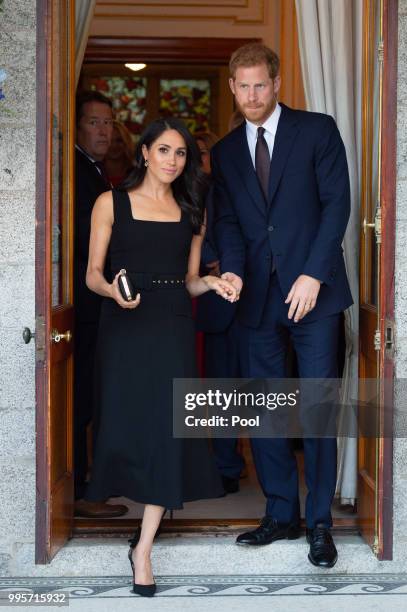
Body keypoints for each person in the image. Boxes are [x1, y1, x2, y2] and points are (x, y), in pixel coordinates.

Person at [211, 43, 353, 568]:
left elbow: (337, 202)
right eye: (242, 86)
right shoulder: (225, 152)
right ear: (232, 87)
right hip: (256, 298)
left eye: (260, 85)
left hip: (314, 296)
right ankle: (280, 513)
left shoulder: (317, 130)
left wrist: (314, 272)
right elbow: (226, 220)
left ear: (277, 83)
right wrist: (230, 268)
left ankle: (319, 523)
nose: (251, 95)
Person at [83, 117, 237, 597]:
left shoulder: (192, 210)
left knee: (168, 432)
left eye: (182, 154)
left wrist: (212, 282)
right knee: (127, 427)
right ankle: (135, 526)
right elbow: (91, 273)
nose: (173, 161)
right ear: (145, 153)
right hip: (124, 327)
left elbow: (189, 280)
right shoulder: (110, 202)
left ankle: (143, 548)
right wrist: (112, 290)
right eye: (165, 150)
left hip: (172, 325)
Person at [74, 90, 128, 519]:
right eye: (94, 122)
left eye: (108, 122)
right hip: (83, 305)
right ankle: (79, 493)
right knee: (81, 399)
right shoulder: (75, 172)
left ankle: (87, 486)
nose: (103, 130)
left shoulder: (94, 171)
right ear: (76, 126)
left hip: (97, 305)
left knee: (92, 397)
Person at [195, 131, 246, 494]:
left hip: (258, 298)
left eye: (202, 154)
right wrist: (210, 264)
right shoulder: (193, 193)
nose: (198, 161)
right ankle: (225, 465)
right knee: (221, 390)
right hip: (214, 299)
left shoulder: (235, 187)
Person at [104, 120, 135, 187]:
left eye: (119, 140)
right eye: (109, 140)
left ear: (126, 142)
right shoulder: (92, 173)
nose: (114, 145)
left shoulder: (137, 174)